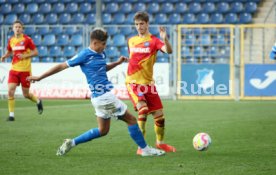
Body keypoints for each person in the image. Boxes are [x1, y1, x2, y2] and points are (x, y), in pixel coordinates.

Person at [27, 28, 165, 157]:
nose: (104, 47)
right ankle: (145, 150)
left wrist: (117, 63)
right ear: (94, 42)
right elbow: (61, 66)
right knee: (132, 120)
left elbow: (102, 68)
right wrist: (39, 77)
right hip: (104, 97)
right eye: (103, 44)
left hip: (98, 98)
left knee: (103, 130)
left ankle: (72, 142)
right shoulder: (84, 55)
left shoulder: (101, 53)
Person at [126, 11, 176, 154]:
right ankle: (142, 147)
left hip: (148, 84)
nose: (139, 26)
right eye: (136, 24)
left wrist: (165, 39)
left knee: (160, 115)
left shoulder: (154, 41)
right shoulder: (131, 41)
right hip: (133, 83)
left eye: (141, 24)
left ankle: (160, 143)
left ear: (147, 24)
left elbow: (169, 51)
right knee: (143, 110)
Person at [0, 20, 43, 121]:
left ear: (22, 29)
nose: (17, 28)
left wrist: (25, 55)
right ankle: (11, 115)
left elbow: (36, 52)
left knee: (26, 95)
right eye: (16, 27)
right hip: (14, 70)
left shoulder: (27, 40)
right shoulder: (11, 40)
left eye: (19, 27)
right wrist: (4, 56)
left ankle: (38, 101)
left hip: (25, 71)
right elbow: (10, 51)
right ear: (13, 28)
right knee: (10, 91)